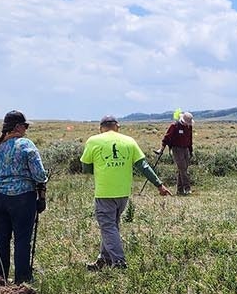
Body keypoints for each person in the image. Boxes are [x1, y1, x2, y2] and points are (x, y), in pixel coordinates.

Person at [79, 114, 169, 271]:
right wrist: (159, 185)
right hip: (123, 193)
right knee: (112, 226)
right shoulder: (129, 141)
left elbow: (86, 168)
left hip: (104, 192)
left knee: (108, 226)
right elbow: (144, 166)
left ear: (101, 128)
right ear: (117, 126)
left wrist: (101, 168)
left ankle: (119, 262)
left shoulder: (93, 141)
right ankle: (104, 259)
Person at [0, 110, 48, 286]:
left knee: (0, 237)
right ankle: (22, 279)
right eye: (25, 126)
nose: (26, 129)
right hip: (21, 198)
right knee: (22, 239)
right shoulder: (25, 144)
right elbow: (39, 175)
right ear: (18, 127)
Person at [160, 112, 195, 196]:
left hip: (185, 148)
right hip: (177, 149)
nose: (188, 125)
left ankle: (179, 190)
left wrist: (190, 150)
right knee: (183, 168)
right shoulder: (174, 126)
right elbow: (167, 137)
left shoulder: (189, 127)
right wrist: (162, 148)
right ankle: (187, 188)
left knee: (183, 168)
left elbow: (190, 139)